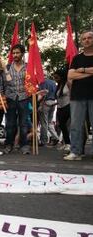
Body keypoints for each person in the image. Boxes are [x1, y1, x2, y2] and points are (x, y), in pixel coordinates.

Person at [65, 30, 93, 161]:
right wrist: (90, 71)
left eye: (90, 38)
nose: (87, 40)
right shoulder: (77, 58)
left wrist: (82, 70)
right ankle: (76, 152)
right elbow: (70, 75)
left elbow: (76, 74)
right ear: (82, 41)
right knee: (76, 125)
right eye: (84, 39)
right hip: (77, 96)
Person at [4, 44, 31, 155]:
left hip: (24, 98)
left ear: (22, 54)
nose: (15, 55)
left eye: (17, 53)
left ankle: (24, 145)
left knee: (24, 123)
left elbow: (32, 82)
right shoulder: (7, 67)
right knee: (10, 124)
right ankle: (8, 144)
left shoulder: (28, 67)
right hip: (10, 97)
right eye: (13, 53)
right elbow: (4, 82)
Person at [53, 69, 71, 153]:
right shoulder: (58, 85)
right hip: (60, 107)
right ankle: (66, 143)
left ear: (61, 77)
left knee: (67, 125)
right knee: (61, 125)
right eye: (54, 78)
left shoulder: (67, 84)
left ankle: (69, 144)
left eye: (56, 77)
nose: (55, 79)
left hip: (68, 106)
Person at [38, 77, 59, 146]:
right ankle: (55, 137)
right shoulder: (53, 82)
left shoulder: (42, 82)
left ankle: (43, 140)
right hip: (53, 102)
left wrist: (41, 104)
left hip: (45, 103)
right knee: (49, 122)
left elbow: (43, 94)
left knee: (44, 123)